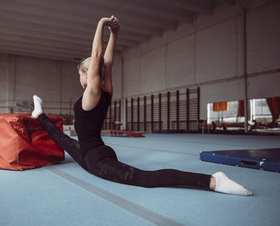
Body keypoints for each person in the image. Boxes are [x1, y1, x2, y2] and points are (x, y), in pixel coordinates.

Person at [32, 16, 252, 196]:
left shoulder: (91, 95)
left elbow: (99, 56)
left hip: (96, 159)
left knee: (144, 178)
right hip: (92, 150)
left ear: (88, 74)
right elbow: (107, 63)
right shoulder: (106, 90)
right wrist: (115, 33)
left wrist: (100, 24)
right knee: (62, 138)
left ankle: (213, 181)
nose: (79, 79)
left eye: (80, 75)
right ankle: (39, 112)